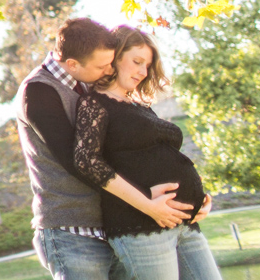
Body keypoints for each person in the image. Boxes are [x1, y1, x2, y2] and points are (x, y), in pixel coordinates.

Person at [17, 18, 196, 280]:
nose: (109, 70)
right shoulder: (38, 92)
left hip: (114, 222)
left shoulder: (88, 82)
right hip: (71, 230)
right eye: (102, 66)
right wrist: (145, 197)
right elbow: (78, 162)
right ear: (73, 65)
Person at [74, 26, 219, 280]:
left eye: (147, 66)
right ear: (115, 58)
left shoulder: (139, 106)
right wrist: (149, 205)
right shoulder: (94, 103)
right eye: (137, 61)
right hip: (142, 228)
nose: (142, 72)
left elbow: (153, 158)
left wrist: (198, 198)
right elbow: (86, 161)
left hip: (184, 223)